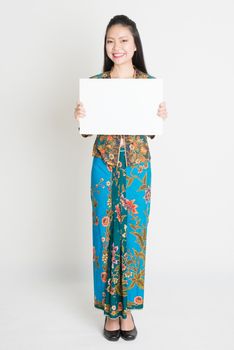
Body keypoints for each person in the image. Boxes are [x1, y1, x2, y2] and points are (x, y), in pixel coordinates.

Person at [74, 14, 168, 341]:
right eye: (111, 41)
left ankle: (126, 309)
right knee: (105, 235)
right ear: (106, 46)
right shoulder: (96, 84)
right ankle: (108, 310)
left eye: (123, 40)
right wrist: (81, 117)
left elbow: (150, 132)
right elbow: (87, 131)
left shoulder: (148, 84)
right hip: (104, 164)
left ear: (135, 44)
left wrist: (159, 116)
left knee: (132, 236)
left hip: (138, 169)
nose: (117, 47)